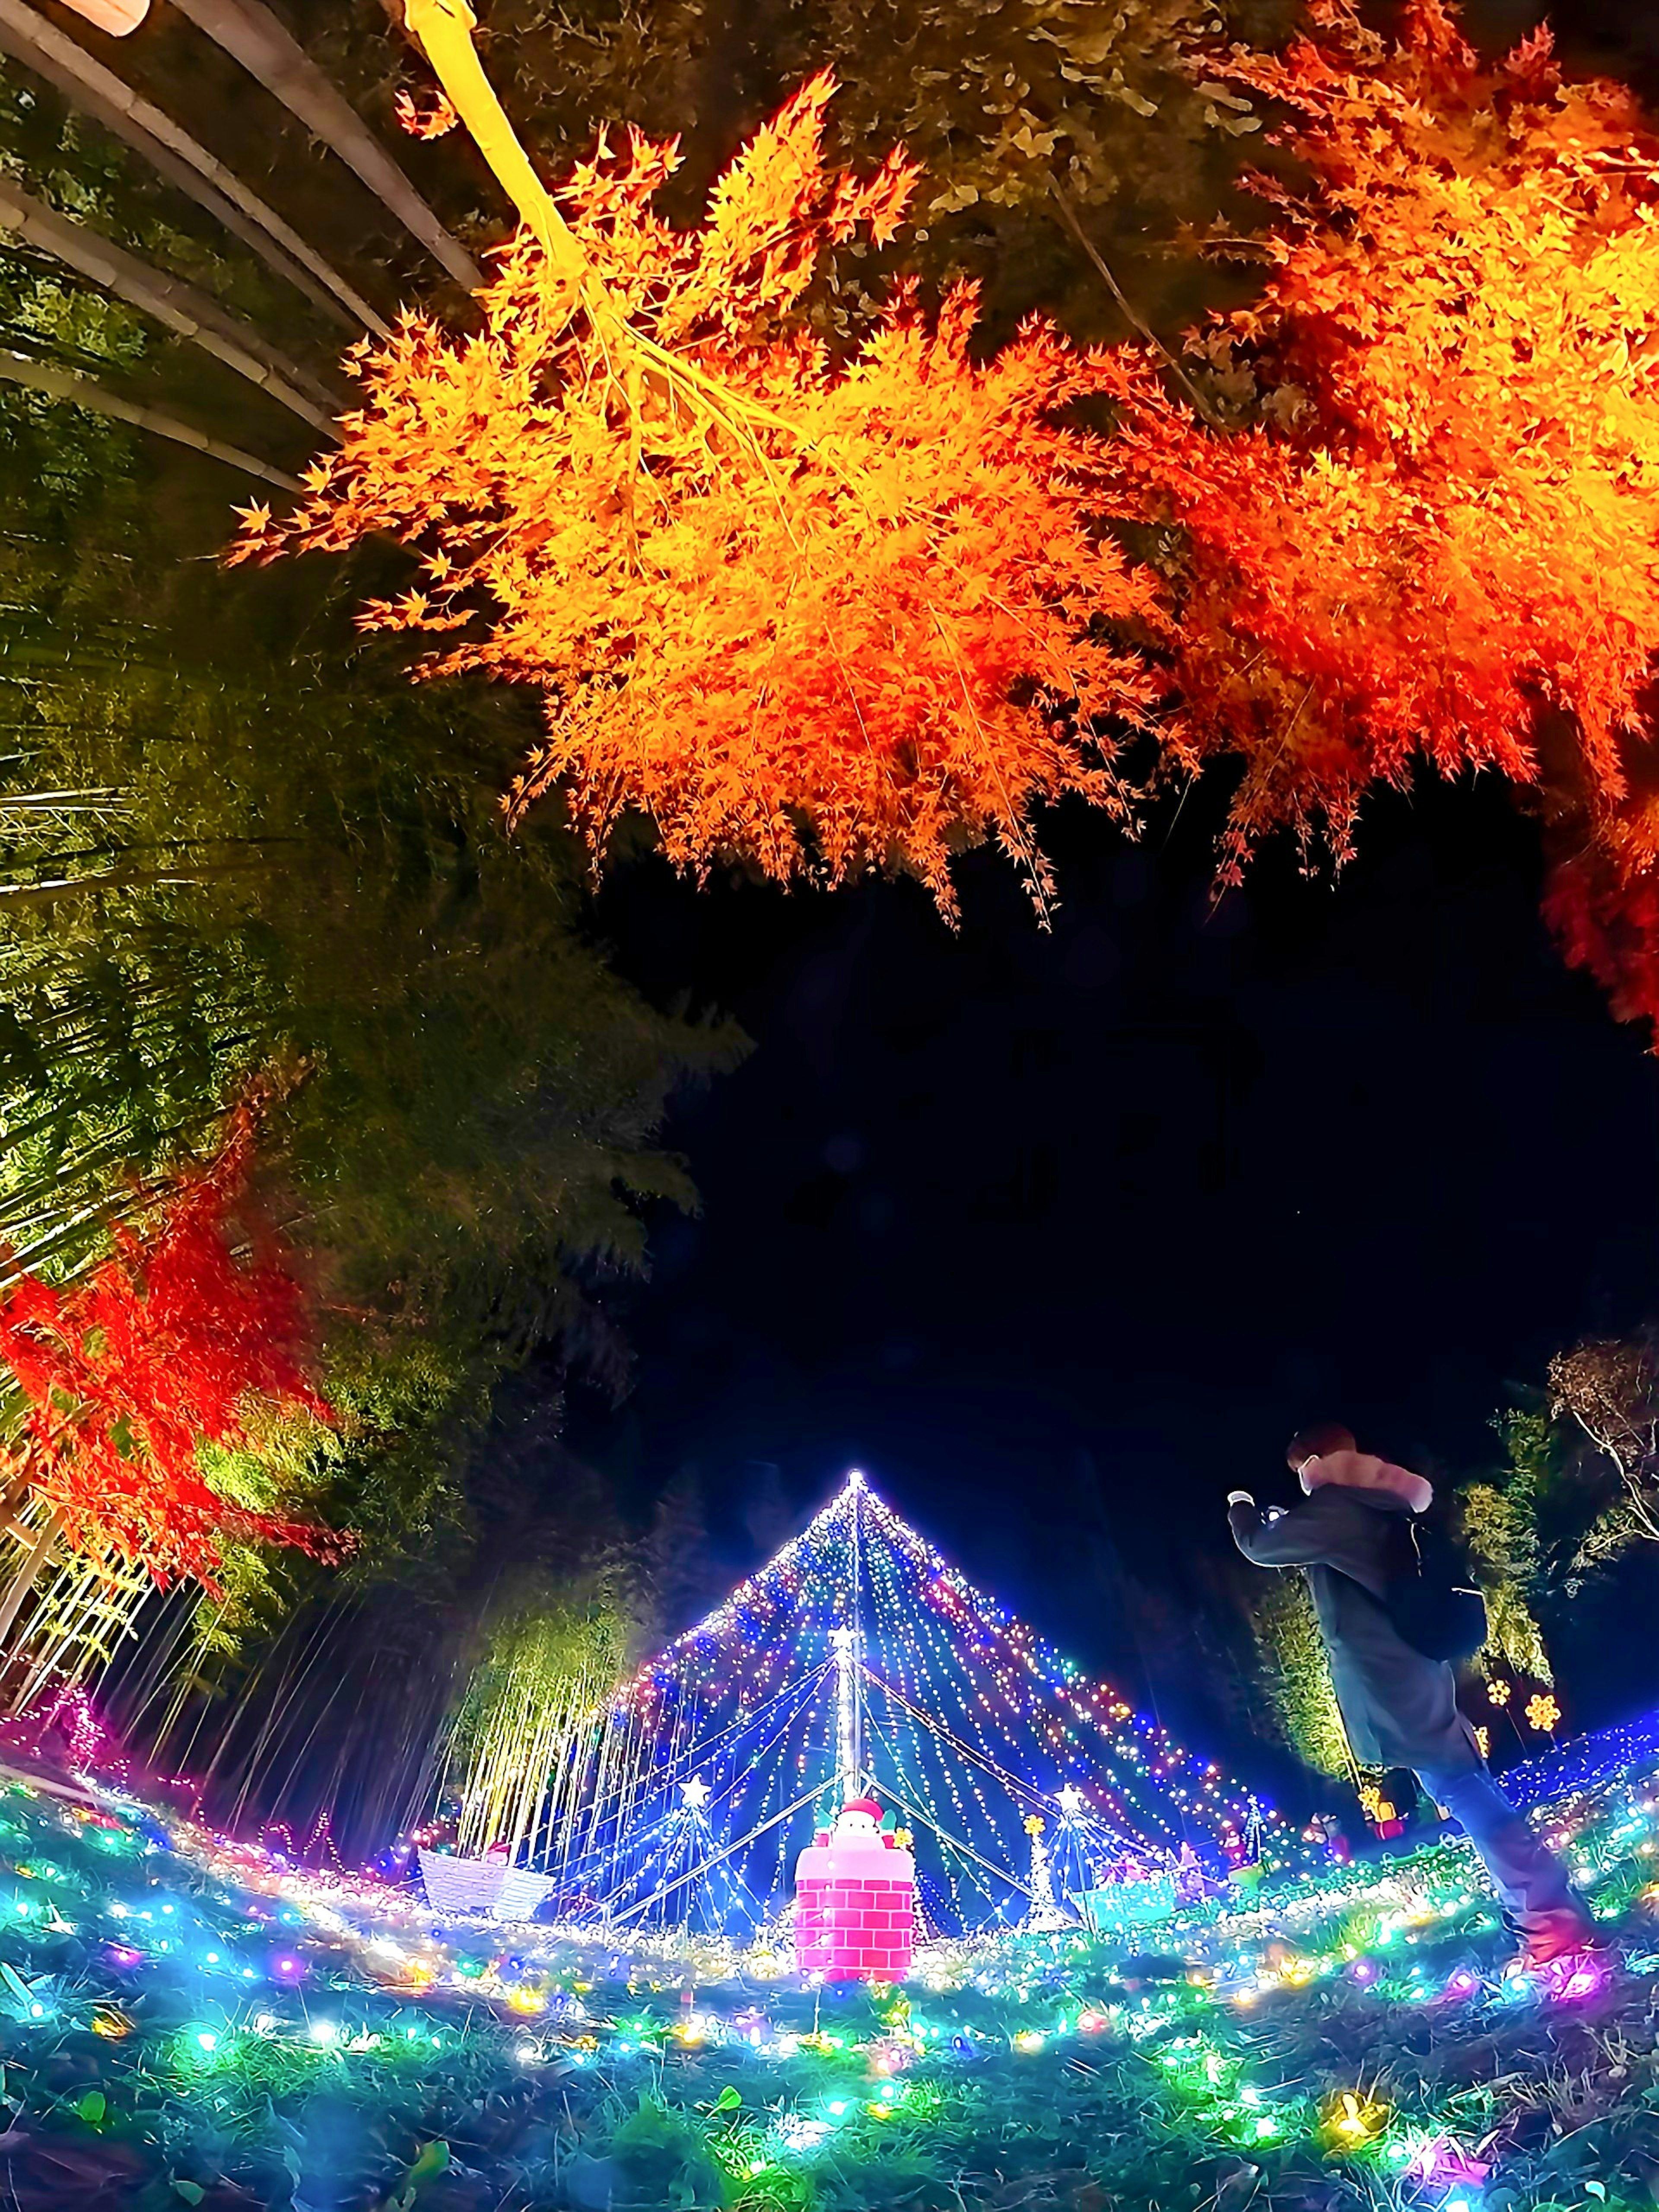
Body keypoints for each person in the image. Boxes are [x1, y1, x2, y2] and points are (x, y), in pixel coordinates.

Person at [1227, 1421, 1595, 1967]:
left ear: (1317, 1463)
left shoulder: (1337, 1507)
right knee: (1465, 1784)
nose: (1302, 1482)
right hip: (1416, 1666)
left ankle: (1549, 1920)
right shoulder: (1385, 1502)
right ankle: (1540, 1913)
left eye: (1302, 1470)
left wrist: (1241, 1505)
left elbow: (1260, 1545)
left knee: (1464, 1789)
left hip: (1386, 1675)